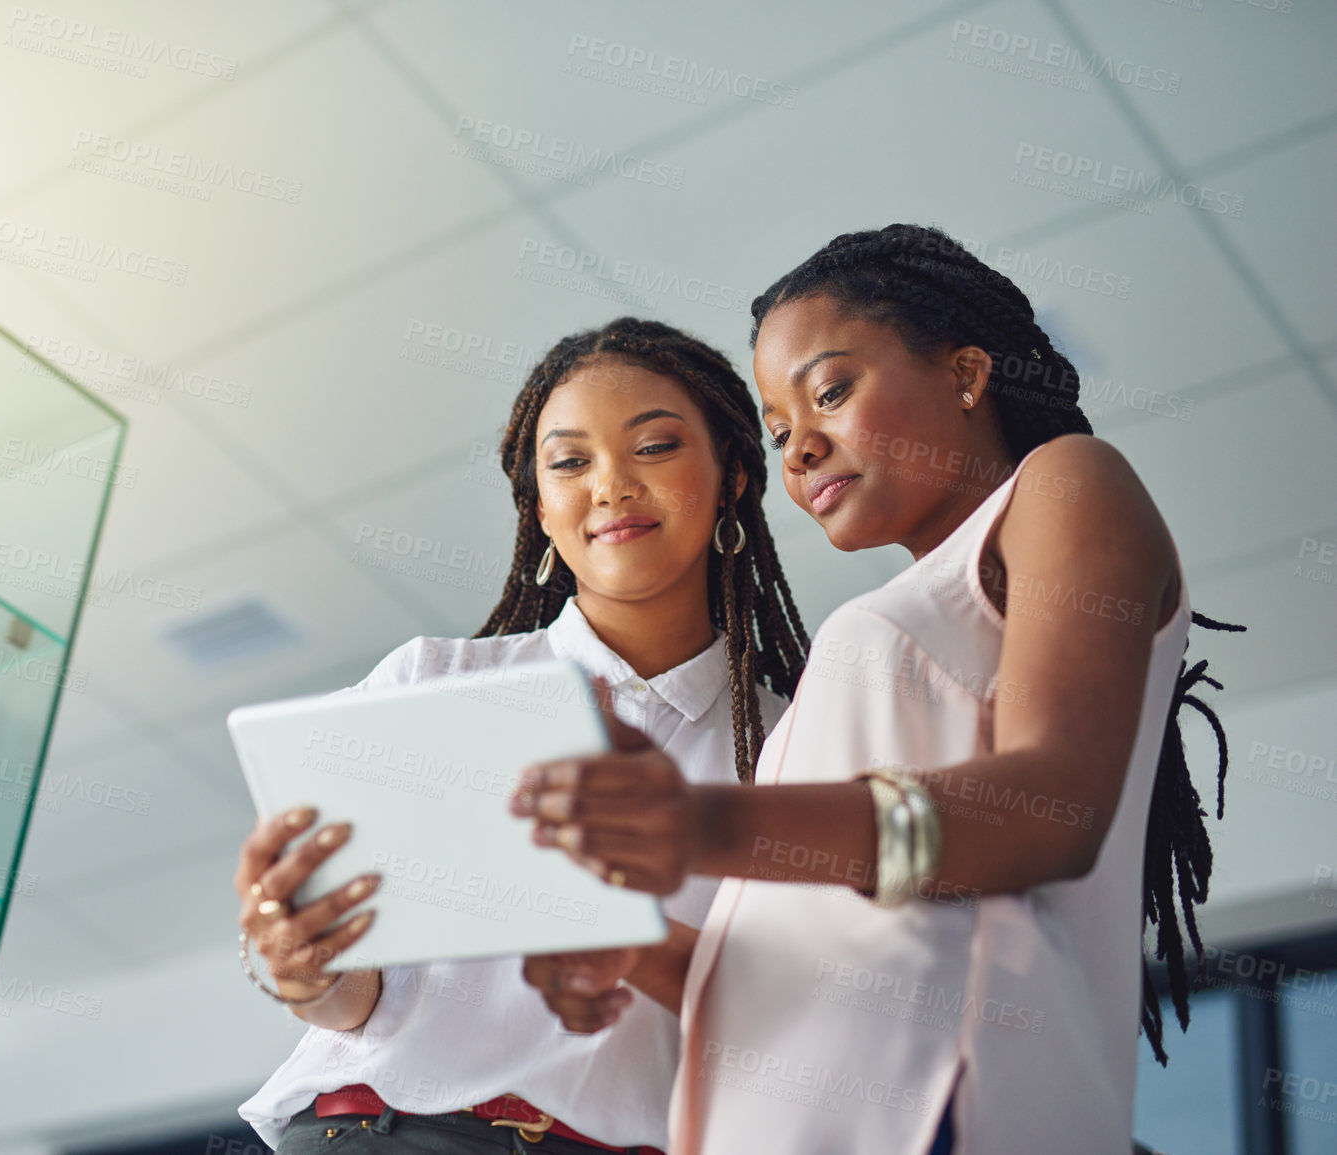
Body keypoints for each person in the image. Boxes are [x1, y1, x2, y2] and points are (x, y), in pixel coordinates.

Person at [513, 225, 1241, 1154]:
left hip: (935, 1107)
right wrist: (640, 951)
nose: (800, 449)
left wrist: (704, 824)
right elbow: (822, 969)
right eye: (779, 431)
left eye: (830, 391)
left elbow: (1050, 804)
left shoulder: (1061, 484)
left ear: (965, 372)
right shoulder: (853, 659)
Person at [232, 317, 811, 1153]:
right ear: (539, 508)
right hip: (381, 1131)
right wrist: (299, 968)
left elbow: (798, 1022)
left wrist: (607, 917)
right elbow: (358, 1002)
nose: (608, 486)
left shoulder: (796, 744)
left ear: (733, 479)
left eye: (652, 447)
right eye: (570, 462)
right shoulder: (431, 683)